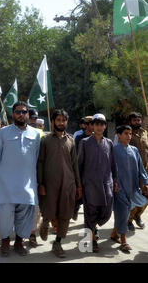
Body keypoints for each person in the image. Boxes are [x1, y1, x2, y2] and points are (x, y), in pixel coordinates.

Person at [0, 101, 41, 257]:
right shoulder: (3, 132)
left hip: (27, 184)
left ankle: (19, 242)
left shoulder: (36, 134)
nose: (21, 114)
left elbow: (37, 159)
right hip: (6, 183)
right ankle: (5, 241)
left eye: (24, 112)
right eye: (18, 112)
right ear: (13, 114)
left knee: (25, 216)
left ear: (27, 114)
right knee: (5, 215)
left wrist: (38, 181)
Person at [37, 109, 81, 258]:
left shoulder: (71, 140)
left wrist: (78, 185)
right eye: (58, 120)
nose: (61, 123)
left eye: (64, 120)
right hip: (49, 183)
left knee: (65, 214)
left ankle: (57, 243)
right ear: (53, 122)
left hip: (68, 184)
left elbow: (75, 164)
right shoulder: (46, 140)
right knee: (49, 209)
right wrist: (41, 183)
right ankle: (45, 222)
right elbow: (41, 162)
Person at [78, 113, 119, 253]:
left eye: (102, 124)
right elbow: (80, 164)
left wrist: (115, 181)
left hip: (106, 183)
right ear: (92, 126)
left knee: (106, 212)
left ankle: (94, 228)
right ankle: (90, 241)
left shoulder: (109, 143)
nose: (99, 126)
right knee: (90, 213)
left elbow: (113, 164)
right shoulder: (84, 142)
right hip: (89, 184)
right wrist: (79, 184)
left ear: (105, 126)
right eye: (97, 124)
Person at [111, 125, 148, 253]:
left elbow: (141, 168)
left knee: (125, 211)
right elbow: (110, 170)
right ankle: (124, 241)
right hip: (118, 187)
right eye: (125, 133)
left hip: (132, 187)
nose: (128, 136)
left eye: (130, 133)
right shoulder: (113, 150)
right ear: (119, 135)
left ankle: (114, 234)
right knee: (123, 212)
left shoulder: (134, 150)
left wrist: (145, 182)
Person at [127, 112, 148, 231]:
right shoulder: (126, 133)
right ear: (130, 121)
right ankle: (129, 220)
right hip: (132, 171)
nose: (137, 122)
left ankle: (138, 216)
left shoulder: (145, 133)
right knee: (134, 197)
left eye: (139, 120)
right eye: (135, 120)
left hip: (145, 170)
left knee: (146, 196)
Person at [72, 115, 93, 221]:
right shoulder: (79, 137)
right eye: (91, 124)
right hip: (80, 171)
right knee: (79, 195)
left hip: (92, 173)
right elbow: (75, 154)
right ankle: (75, 208)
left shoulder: (97, 137)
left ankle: (89, 223)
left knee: (90, 199)